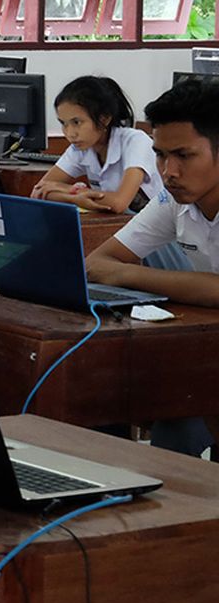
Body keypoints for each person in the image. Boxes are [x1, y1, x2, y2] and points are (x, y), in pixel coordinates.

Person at [85, 78, 219, 459]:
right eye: (160, 155)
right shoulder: (173, 199)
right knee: (134, 390)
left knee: (180, 395)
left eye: (184, 156)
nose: (168, 170)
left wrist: (129, 275)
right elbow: (97, 264)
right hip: (206, 349)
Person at [31, 76, 162, 213]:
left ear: (104, 119)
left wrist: (69, 191)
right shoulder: (80, 148)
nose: (70, 133)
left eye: (77, 122)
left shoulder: (135, 142)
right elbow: (39, 191)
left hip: (161, 229)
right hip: (120, 225)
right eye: (63, 123)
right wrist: (75, 197)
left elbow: (119, 203)